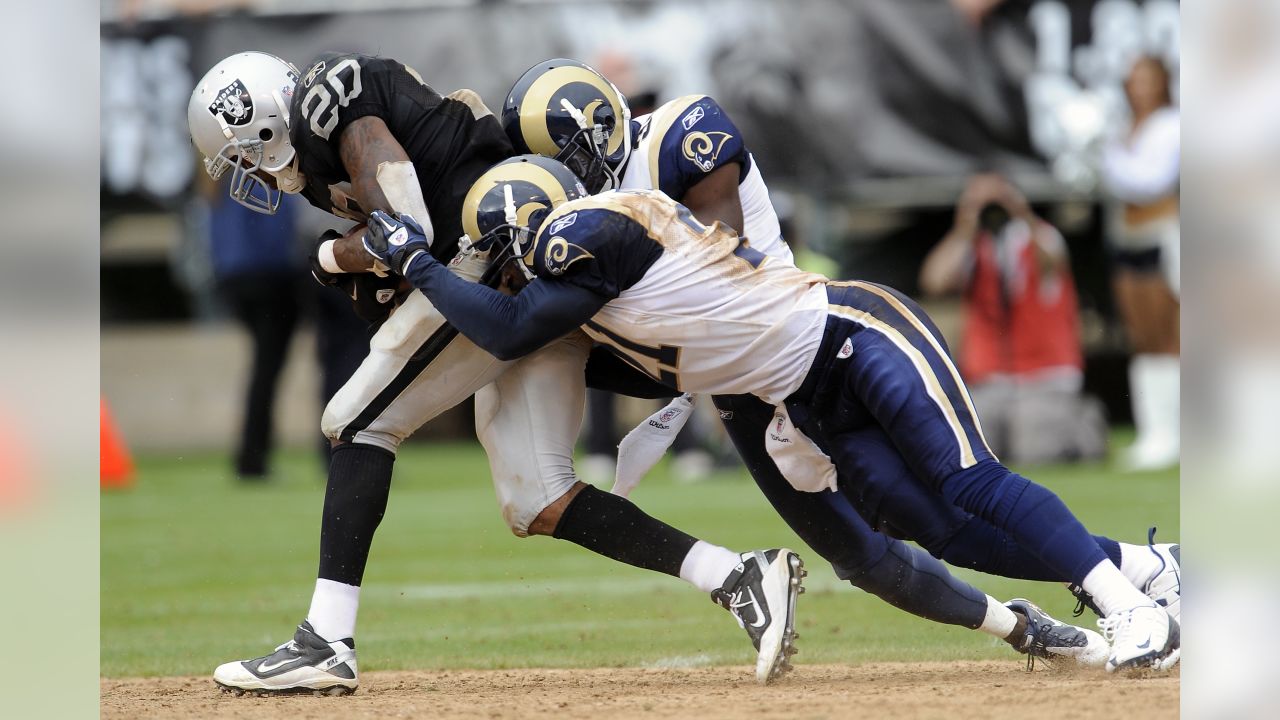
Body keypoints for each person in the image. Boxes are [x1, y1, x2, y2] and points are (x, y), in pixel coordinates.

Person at [367, 158, 1181, 674]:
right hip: (807, 395)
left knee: (968, 481)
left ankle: (1131, 607)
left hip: (852, 333)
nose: (504, 281)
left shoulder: (578, 234)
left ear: (526, 230)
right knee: (942, 529)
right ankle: (1153, 572)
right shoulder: (597, 286)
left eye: (500, 259)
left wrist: (414, 260)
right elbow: (537, 331)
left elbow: (506, 324)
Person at [504, 59, 1177, 654]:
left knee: (968, 479)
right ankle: (1130, 577)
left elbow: (717, 267)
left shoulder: (681, 131)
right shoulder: (582, 224)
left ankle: (1129, 604)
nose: (569, 182)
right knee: (903, 546)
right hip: (758, 395)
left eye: (569, 160)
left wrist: (590, 299)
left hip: (827, 334)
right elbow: (645, 360)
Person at [189, 50, 804, 693]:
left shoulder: (331, 101)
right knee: (537, 496)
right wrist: (351, 259)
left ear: (258, 125)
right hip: (518, 263)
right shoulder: (319, 160)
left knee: (357, 421)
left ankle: (325, 639)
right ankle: (738, 577)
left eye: (240, 154)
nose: (245, 172)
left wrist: (331, 257)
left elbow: (407, 232)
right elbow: (388, 237)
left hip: (489, 257)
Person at [919, 174, 1106, 464]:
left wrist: (1022, 214)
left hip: (1044, 375)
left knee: (1035, 453)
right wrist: (964, 227)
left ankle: (1084, 423)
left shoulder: (1040, 236)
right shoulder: (972, 247)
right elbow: (934, 281)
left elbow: (1052, 264)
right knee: (972, 453)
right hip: (990, 377)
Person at [1102, 56, 1180, 471]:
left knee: (1170, 336)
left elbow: (1151, 182)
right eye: (1133, 80)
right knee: (1142, 338)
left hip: (1160, 235)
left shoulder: (1172, 124)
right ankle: (1154, 432)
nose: (1140, 87)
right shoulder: (1122, 128)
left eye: (1148, 79)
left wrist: (1108, 160)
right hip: (1126, 237)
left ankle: (1177, 434)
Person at [205, 180, 306, 479]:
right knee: (267, 369)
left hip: (235, 276)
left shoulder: (217, 182)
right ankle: (252, 455)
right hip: (270, 276)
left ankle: (252, 453)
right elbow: (280, 230)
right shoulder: (256, 178)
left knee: (265, 368)